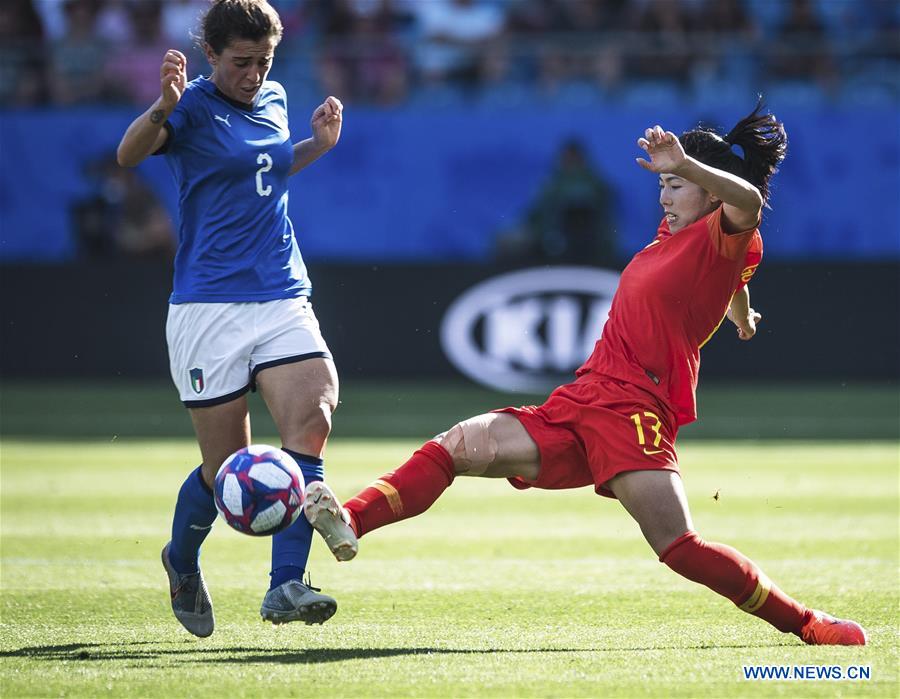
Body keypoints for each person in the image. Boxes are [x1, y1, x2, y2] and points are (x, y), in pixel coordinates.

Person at [303, 102, 867, 646]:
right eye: (663, 186)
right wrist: (742, 315)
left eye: (676, 186)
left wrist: (689, 166)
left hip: (634, 410)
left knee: (676, 545)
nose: (665, 196)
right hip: (581, 398)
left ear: (707, 187)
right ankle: (349, 520)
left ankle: (807, 623)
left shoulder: (726, 227)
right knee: (460, 445)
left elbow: (747, 203)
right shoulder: (681, 239)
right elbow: (736, 278)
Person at [117, 0, 344, 637]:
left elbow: (264, 171)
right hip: (207, 305)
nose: (253, 73)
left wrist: (316, 148)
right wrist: (162, 104)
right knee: (226, 473)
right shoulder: (187, 106)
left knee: (313, 417)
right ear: (211, 54)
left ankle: (287, 585)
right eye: (240, 61)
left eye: (264, 61)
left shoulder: (272, 97)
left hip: (279, 291)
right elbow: (128, 154)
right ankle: (182, 560)